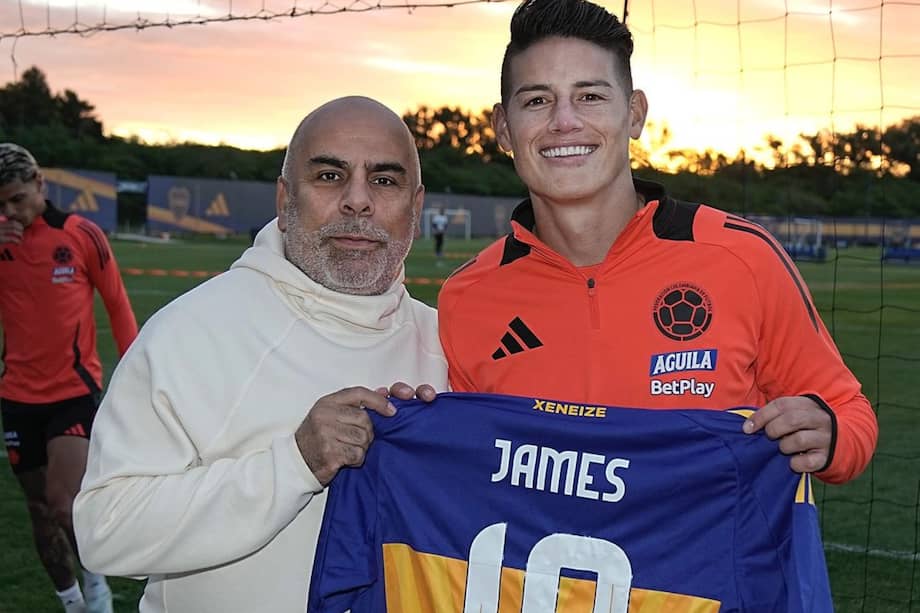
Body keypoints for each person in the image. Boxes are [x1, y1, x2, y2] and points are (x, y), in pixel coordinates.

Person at [437, 0, 877, 485]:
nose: (564, 121)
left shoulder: (741, 257)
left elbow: (847, 411)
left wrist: (831, 434)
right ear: (504, 128)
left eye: (590, 96)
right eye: (537, 101)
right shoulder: (466, 298)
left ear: (634, 114)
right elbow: (464, 467)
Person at [72, 96, 448, 613]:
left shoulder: (449, 344)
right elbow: (105, 531)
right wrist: (294, 464)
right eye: (330, 176)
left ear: (416, 207)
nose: (358, 201)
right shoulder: (191, 331)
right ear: (284, 199)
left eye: (384, 180)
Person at [0, 143, 137, 613]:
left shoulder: (80, 234)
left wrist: (133, 374)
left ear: (40, 184)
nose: (9, 212)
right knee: (39, 510)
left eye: (17, 199)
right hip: (16, 396)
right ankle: (72, 601)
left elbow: (117, 305)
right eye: (0, 204)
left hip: (72, 392)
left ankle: (96, 587)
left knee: (64, 503)